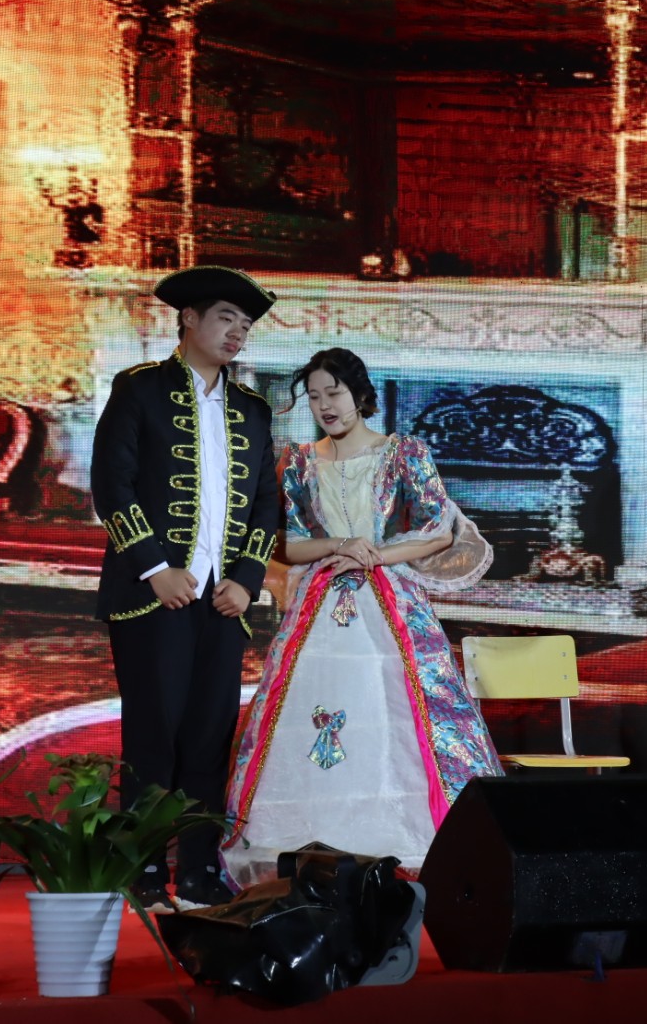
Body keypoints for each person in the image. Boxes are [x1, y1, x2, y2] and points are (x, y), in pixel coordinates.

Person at [221, 348, 501, 888]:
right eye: (315, 396)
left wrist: (373, 555)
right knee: (312, 706)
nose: (325, 405)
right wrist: (340, 545)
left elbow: (437, 532)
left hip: (390, 599)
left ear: (360, 395)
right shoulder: (298, 462)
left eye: (335, 393)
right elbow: (287, 545)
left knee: (396, 706)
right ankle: (308, 836)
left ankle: (402, 833)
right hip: (322, 602)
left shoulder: (404, 453)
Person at [91, 265, 282, 911]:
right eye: (227, 317)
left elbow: (266, 504)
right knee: (154, 733)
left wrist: (247, 581)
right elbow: (111, 484)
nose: (238, 332)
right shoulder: (140, 388)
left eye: (246, 324)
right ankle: (142, 867)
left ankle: (199, 871)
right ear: (190, 320)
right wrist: (155, 567)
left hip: (224, 602)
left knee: (208, 738)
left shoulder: (253, 409)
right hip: (153, 595)